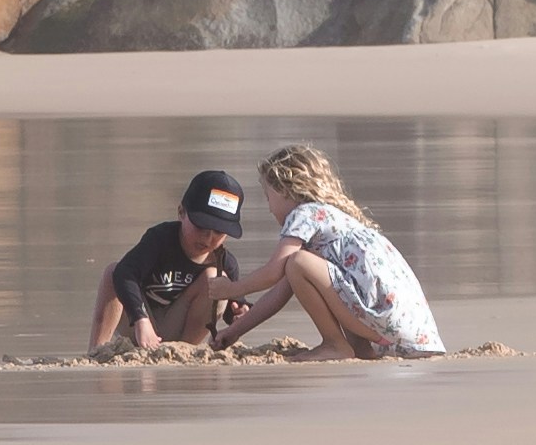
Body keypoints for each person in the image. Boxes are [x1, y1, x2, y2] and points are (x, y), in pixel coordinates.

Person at [230, 142, 445, 358]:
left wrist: (231, 289)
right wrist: (234, 331)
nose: (269, 208)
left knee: (298, 262)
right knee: (317, 269)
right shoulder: (334, 219)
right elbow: (279, 292)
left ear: (284, 190)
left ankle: (334, 344)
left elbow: (273, 273)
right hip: (409, 331)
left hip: (384, 323)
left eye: (268, 196)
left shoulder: (304, 214)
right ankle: (360, 348)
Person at [91, 165, 248, 356]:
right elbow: (125, 273)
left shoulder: (225, 263)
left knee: (214, 278)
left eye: (218, 232)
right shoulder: (160, 240)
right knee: (113, 272)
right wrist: (140, 319)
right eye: (201, 227)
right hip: (140, 323)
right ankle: (97, 352)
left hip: (180, 332)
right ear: (181, 212)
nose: (208, 239)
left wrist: (239, 314)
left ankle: (184, 352)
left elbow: (233, 306)